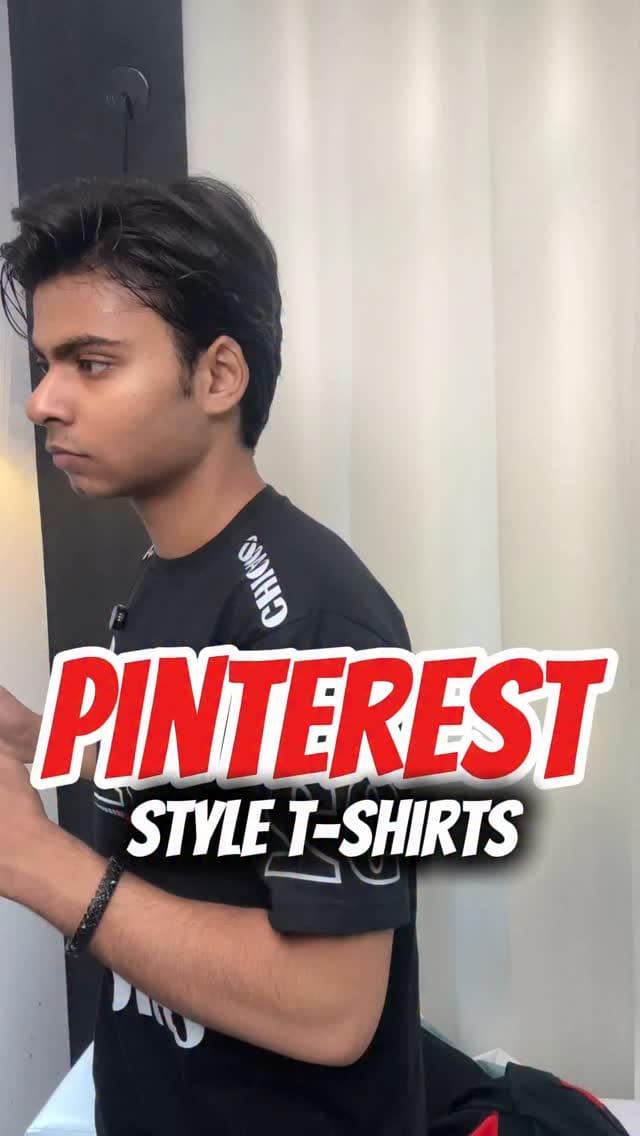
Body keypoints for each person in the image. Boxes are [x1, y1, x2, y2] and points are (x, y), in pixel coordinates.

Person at [0, 175, 426, 1135]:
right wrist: (40, 736)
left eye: (92, 363)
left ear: (219, 377)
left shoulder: (316, 625)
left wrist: (37, 864)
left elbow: (331, 1006)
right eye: (46, 364)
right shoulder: (170, 574)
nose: (42, 402)